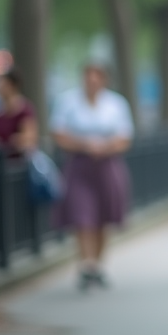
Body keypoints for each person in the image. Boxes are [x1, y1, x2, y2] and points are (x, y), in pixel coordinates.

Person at [51, 63, 134, 291]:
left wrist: (105, 147)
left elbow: (125, 137)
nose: (92, 81)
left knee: (102, 218)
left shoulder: (116, 104)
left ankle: (97, 264)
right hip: (79, 166)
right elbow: (58, 133)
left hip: (107, 166)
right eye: (88, 77)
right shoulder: (68, 103)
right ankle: (86, 264)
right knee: (82, 215)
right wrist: (85, 145)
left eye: (97, 77)